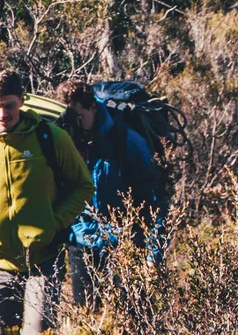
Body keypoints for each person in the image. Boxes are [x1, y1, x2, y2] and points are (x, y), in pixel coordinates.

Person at [0, 70, 94, 335]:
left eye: (9, 105)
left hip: (43, 259)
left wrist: (55, 221)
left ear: (22, 101)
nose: (2, 114)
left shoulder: (52, 137)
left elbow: (83, 186)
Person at [52, 79, 164, 308]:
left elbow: (155, 200)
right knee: (88, 319)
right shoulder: (62, 138)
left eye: (79, 117)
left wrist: (153, 255)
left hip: (128, 240)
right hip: (82, 239)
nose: (75, 124)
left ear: (93, 107)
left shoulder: (127, 140)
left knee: (135, 321)